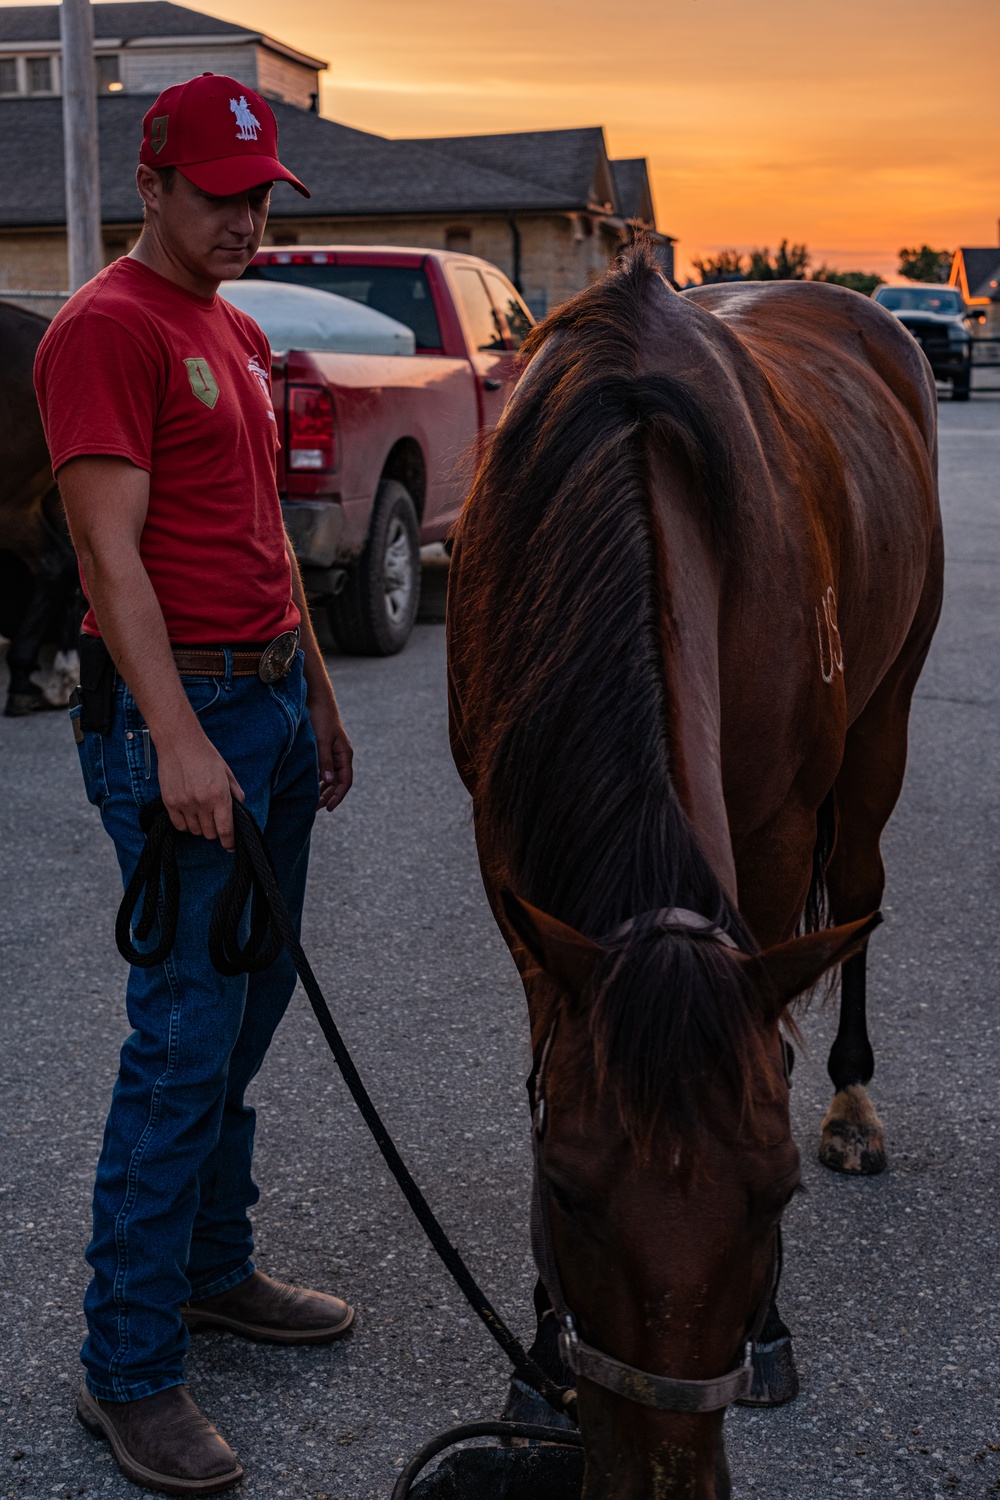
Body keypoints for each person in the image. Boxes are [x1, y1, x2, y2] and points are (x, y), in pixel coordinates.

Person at [34, 75, 355, 1495]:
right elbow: (111, 559)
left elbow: (262, 541)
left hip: (271, 697)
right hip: (187, 716)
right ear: (151, 186)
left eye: (260, 192)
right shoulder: (105, 331)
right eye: (218, 191)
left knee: (246, 1014)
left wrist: (322, 699)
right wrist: (177, 741)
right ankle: (129, 1368)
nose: (246, 217)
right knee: (180, 1039)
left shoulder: (230, 323)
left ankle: (214, 1271)